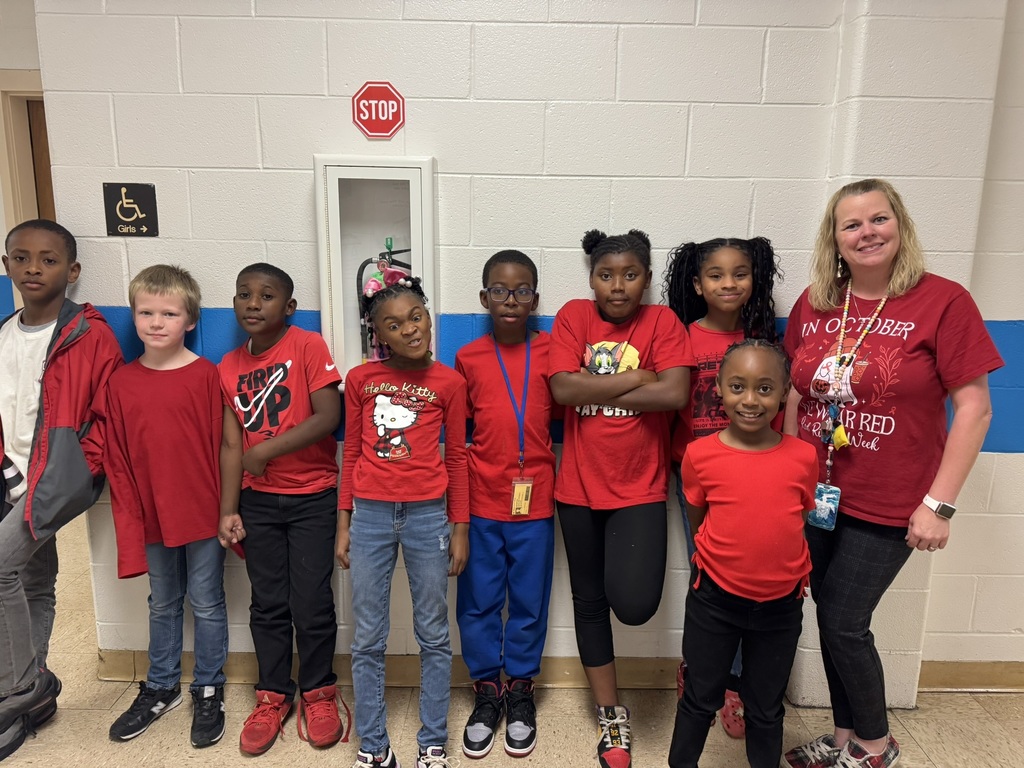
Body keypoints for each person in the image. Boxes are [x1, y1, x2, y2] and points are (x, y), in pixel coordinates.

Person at [781, 179, 1004, 768]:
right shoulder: (817, 303)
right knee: (829, 618)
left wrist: (940, 504)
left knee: (844, 620)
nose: (867, 232)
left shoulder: (943, 302)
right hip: (819, 494)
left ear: (899, 225)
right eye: (851, 224)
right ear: (834, 239)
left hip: (893, 496)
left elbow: (976, 409)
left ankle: (876, 747)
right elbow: (794, 399)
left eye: (878, 219)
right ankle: (843, 737)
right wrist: (784, 479)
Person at [548, 228, 692, 768]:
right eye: (606, 275)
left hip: (639, 488)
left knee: (633, 606)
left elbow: (674, 394)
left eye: (630, 275)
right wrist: (639, 376)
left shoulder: (662, 322)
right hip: (577, 490)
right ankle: (611, 716)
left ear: (647, 279)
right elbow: (562, 389)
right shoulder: (572, 317)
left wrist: (595, 381)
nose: (618, 286)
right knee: (589, 603)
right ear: (592, 279)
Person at [0, 220, 123, 760]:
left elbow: (106, 417)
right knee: (33, 581)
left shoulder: (89, 334)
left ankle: (17, 688)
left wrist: (79, 472)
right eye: (20, 257)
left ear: (71, 272)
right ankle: (36, 691)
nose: (32, 268)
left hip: (56, 478)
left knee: (1, 566)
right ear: (6, 264)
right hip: (9, 476)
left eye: (48, 260)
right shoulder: (3, 333)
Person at [337, 276, 469, 768]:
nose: (410, 330)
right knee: (368, 636)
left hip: (428, 517)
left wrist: (460, 527)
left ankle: (432, 739)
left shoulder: (449, 383)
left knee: (433, 632)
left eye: (416, 317)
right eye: (395, 325)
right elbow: (352, 453)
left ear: (429, 317)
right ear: (380, 335)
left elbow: (456, 458)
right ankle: (373, 746)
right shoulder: (361, 380)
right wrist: (344, 523)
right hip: (369, 516)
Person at [667, 340, 816, 768]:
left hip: (781, 608)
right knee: (700, 697)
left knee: (766, 708)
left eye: (765, 388)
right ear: (718, 388)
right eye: (738, 386)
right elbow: (698, 519)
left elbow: (796, 519)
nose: (750, 400)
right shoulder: (700, 455)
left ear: (785, 392)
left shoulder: (803, 457)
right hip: (714, 602)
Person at [217, 263, 345, 756]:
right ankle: (273, 695)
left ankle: (318, 692)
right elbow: (232, 446)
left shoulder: (306, 345)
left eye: (266, 295)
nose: (253, 303)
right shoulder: (228, 367)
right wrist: (229, 510)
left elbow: (328, 417)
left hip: (313, 496)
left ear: (288, 307)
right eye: (244, 294)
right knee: (267, 602)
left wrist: (266, 451)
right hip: (257, 502)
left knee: (311, 603)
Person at [104, 265, 228, 748]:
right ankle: (160, 687)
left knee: (208, 600)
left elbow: (224, 448)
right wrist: (131, 514)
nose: (157, 322)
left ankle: (210, 686)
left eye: (169, 313)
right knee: (163, 602)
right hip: (150, 515)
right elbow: (116, 456)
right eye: (146, 312)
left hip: (203, 513)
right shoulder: (119, 383)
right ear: (134, 317)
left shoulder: (206, 376)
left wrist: (226, 511)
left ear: (190, 320)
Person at [663, 236, 782, 737]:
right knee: (706, 575)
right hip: (695, 475)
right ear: (697, 283)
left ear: (754, 280)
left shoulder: (763, 340)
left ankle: (734, 685)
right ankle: (701, 672)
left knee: (746, 578)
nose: (728, 283)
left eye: (740, 273)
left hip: (755, 477)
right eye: (716, 275)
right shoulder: (681, 336)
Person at [454, 250, 558, 760]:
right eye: (499, 290)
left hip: (535, 499)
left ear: (535, 299)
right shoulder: (469, 357)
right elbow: (457, 436)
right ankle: (486, 689)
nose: (510, 300)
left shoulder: (554, 351)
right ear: (483, 299)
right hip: (482, 499)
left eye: (521, 291)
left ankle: (520, 689)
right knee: (478, 599)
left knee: (528, 599)